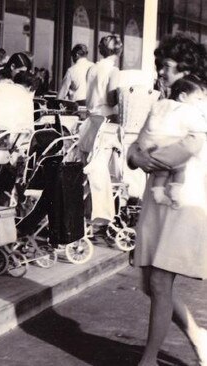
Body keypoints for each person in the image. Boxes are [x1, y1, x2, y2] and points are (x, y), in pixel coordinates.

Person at [128, 33, 207, 366]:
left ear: (186, 69)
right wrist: (137, 157)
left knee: (160, 281)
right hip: (156, 202)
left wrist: (151, 159)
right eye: (159, 66)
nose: (161, 72)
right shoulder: (161, 103)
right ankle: (198, 335)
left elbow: (191, 147)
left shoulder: (197, 103)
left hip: (183, 201)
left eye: (168, 67)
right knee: (150, 284)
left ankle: (148, 360)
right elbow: (134, 147)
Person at [138, 75, 207, 208]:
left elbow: (144, 135)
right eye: (197, 99)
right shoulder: (187, 110)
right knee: (179, 169)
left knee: (161, 172)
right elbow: (199, 131)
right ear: (182, 97)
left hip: (152, 149)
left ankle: (158, 193)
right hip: (173, 150)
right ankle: (175, 192)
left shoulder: (160, 105)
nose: (199, 101)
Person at [86, 35, 122, 119]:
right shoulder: (113, 70)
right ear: (119, 51)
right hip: (105, 117)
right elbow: (111, 101)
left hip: (90, 116)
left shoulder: (92, 68)